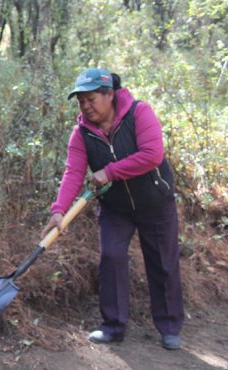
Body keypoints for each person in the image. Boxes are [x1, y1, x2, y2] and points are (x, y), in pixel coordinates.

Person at [41, 68, 184, 350]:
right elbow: (73, 172)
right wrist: (58, 210)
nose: (86, 106)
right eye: (81, 100)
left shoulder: (139, 113)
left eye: (91, 98)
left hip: (155, 202)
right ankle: (113, 326)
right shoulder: (81, 132)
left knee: (163, 263)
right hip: (116, 208)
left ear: (109, 94)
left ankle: (169, 326)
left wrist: (110, 171)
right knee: (111, 258)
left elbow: (152, 155)